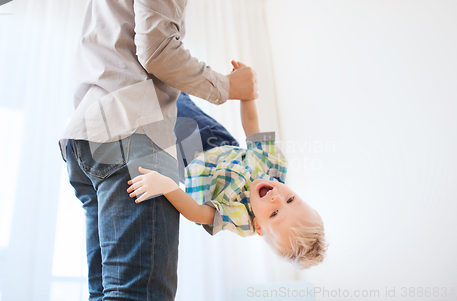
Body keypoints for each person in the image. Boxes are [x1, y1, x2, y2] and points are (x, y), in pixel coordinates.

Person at [59, 0, 258, 300]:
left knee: (108, 292)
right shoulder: (269, 170)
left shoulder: (243, 218)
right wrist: (229, 88)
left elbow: (200, 213)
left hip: (91, 138)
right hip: (132, 136)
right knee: (139, 293)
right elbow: (159, 51)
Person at [128, 62, 327, 270]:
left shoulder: (240, 217)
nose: (277, 198)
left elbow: (197, 212)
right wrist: (246, 95)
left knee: (152, 117)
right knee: (177, 100)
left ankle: (129, 88)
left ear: (258, 226)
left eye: (274, 213)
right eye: (291, 199)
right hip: (216, 139)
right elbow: (252, 126)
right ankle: (153, 68)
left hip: (188, 161)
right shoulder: (273, 167)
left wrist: (165, 186)